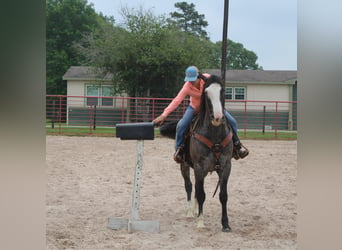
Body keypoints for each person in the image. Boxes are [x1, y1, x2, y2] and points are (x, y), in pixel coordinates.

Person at [153, 66, 249, 163]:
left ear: (198, 77)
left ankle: (237, 146)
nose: (191, 82)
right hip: (194, 108)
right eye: (189, 80)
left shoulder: (208, 80)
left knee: (232, 121)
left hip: (210, 108)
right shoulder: (187, 86)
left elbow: (218, 87)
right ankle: (179, 151)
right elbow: (177, 100)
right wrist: (164, 115)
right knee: (181, 125)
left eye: (193, 80)